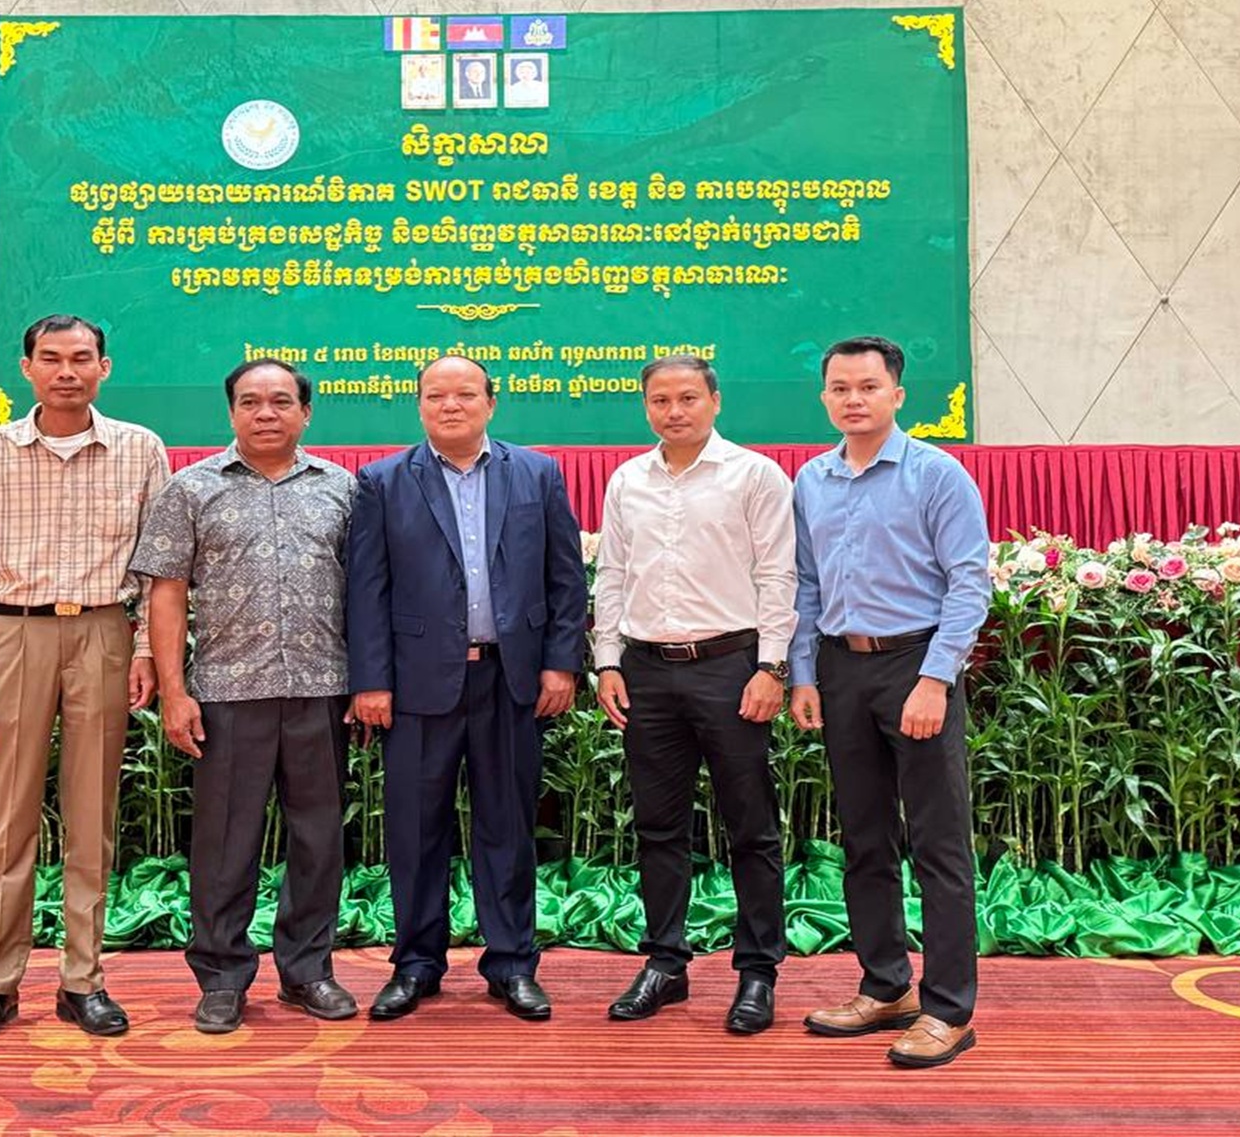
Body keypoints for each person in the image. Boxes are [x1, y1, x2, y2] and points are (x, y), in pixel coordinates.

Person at [0, 315, 169, 1047]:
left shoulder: (140, 449)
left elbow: (156, 566)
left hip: (104, 633)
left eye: (81, 358)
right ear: (27, 368)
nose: (66, 371)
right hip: (15, 636)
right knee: (7, 815)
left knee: (91, 813)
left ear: (105, 367)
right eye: (51, 358)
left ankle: (83, 981)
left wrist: (146, 651)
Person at [346, 355, 586, 1022]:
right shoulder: (383, 481)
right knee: (415, 830)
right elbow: (366, 589)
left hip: (511, 679)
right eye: (436, 395)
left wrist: (561, 664)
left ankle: (512, 964)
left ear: (491, 402)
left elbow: (566, 578)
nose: (450, 405)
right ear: (419, 404)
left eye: (465, 394)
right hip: (416, 685)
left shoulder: (536, 473)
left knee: (507, 827)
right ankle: (416, 963)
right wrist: (371, 681)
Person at [130, 359, 358, 1034]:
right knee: (225, 843)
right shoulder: (191, 489)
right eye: (251, 402)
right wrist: (175, 691)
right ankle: (223, 977)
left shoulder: (342, 489)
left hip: (322, 688)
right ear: (231, 412)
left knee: (318, 839)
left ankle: (307, 970)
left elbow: (368, 592)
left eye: (281, 401)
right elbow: (166, 593)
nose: (266, 413)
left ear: (305, 413)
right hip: (226, 694)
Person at [789, 336, 991, 1069]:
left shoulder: (936, 474)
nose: (854, 399)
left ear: (897, 394)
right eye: (840, 388)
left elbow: (970, 582)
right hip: (841, 667)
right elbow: (806, 583)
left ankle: (948, 1008)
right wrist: (803, 674)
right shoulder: (811, 479)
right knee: (864, 837)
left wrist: (936, 679)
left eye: (868, 387)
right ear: (825, 397)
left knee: (938, 842)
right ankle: (885, 985)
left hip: (917, 663)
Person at [592, 355, 795, 1033]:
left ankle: (758, 971)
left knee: (751, 826)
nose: (673, 411)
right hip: (646, 671)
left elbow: (778, 575)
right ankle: (664, 962)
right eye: (660, 400)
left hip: (731, 667)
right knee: (658, 825)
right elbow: (612, 573)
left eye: (687, 398)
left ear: (715, 400)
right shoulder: (628, 479)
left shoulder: (755, 475)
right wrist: (607, 662)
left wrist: (771, 667)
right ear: (645, 406)